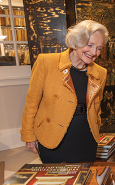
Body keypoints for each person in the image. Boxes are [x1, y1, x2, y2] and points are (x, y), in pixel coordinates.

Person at [20, 20, 109, 163]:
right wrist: (29, 135)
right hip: (53, 135)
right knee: (56, 178)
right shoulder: (46, 62)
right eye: (90, 45)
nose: (94, 53)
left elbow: (96, 107)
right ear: (76, 42)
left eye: (99, 48)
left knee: (84, 178)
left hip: (86, 136)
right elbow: (31, 103)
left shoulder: (101, 73)